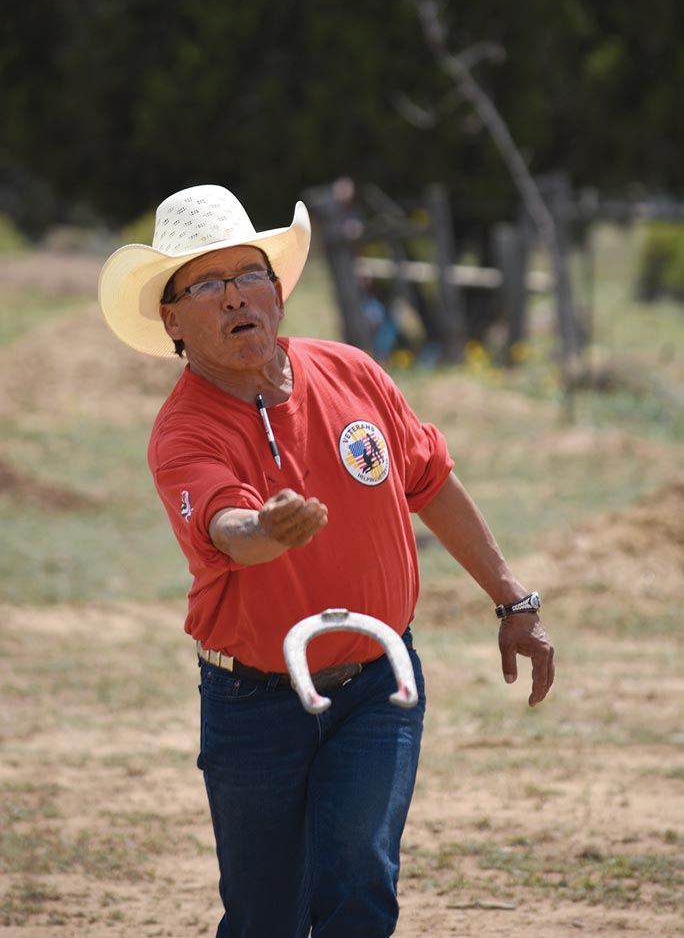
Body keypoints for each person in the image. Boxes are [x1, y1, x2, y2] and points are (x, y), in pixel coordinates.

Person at [98, 184, 554, 938]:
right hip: (253, 706)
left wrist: (514, 601)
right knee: (263, 916)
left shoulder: (352, 372)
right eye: (205, 284)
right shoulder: (184, 433)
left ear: (277, 291)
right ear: (171, 319)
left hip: (380, 682)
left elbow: (429, 481)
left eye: (249, 274)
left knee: (359, 883)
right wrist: (269, 529)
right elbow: (228, 527)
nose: (235, 295)